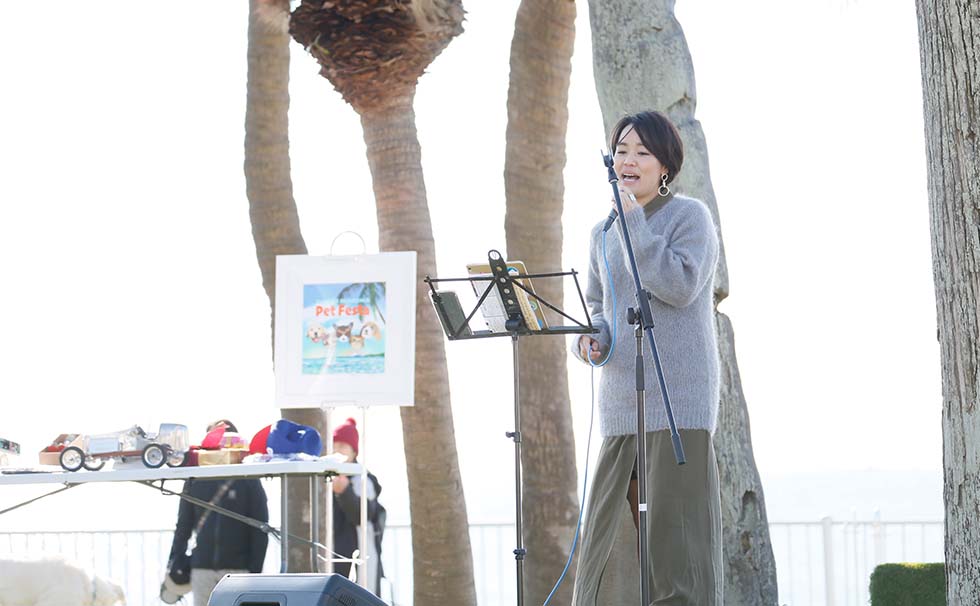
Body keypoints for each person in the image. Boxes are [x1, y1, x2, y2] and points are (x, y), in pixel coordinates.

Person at [571, 110, 723, 605]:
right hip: (619, 406)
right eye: (621, 151)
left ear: (665, 166)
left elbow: (679, 286)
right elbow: (599, 305)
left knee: (677, 556)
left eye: (642, 152)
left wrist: (635, 220)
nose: (629, 161)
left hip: (679, 407)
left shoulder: (690, 217)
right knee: (606, 556)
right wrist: (592, 340)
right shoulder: (602, 231)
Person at [166, 420, 269, 606]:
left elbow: (260, 529)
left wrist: (254, 572)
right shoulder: (194, 478)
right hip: (202, 568)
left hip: (238, 571)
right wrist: (176, 560)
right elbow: (184, 525)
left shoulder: (249, 480)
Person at [330, 417, 386, 596]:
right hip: (335, 556)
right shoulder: (328, 477)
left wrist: (344, 492)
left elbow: (362, 514)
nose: (338, 451)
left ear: (354, 452)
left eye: (343, 446)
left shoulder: (363, 479)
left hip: (360, 556)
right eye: (335, 445)